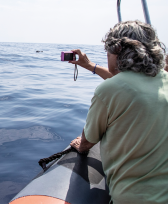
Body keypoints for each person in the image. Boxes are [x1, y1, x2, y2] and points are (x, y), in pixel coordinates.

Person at [69, 20, 168, 204]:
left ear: (119, 50)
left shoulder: (108, 90)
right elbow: (130, 82)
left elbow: (86, 143)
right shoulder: (164, 80)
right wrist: (90, 65)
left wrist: (79, 144)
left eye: (108, 51)